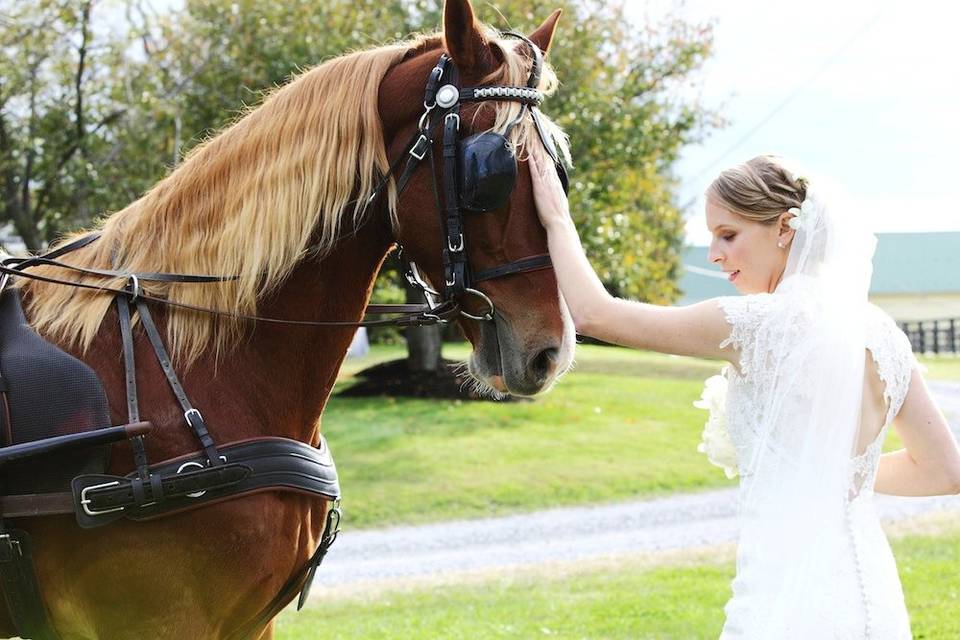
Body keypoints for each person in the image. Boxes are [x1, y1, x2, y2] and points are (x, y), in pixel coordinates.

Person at [529, 152, 960, 638]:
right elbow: (945, 472)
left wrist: (556, 219)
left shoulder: (756, 326)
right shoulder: (884, 335)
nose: (714, 254)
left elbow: (595, 316)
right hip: (871, 594)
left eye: (728, 235)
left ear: (784, 227)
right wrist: (829, 471)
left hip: (786, 597)